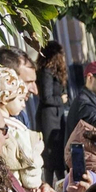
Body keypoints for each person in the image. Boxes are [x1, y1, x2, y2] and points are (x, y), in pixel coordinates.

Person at [0, 65, 46, 192]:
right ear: (6, 98)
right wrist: (34, 185)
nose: (23, 105)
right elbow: (29, 161)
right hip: (18, 189)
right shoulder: (17, 128)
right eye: (20, 100)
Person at [36, 41, 70, 181]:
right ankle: (51, 185)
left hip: (56, 115)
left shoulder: (53, 71)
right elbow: (46, 97)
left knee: (58, 150)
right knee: (51, 152)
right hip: (49, 117)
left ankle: (60, 182)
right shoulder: (46, 72)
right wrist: (61, 100)